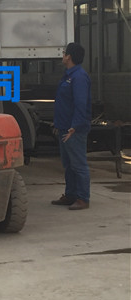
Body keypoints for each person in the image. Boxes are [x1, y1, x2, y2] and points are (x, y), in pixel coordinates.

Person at [52, 42, 92, 210]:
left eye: (64, 53)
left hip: (73, 130)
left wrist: (74, 127)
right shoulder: (68, 75)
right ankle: (71, 194)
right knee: (68, 164)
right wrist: (58, 124)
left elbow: (80, 104)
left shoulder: (79, 77)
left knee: (78, 164)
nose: (62, 55)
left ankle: (83, 198)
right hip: (64, 127)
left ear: (69, 56)